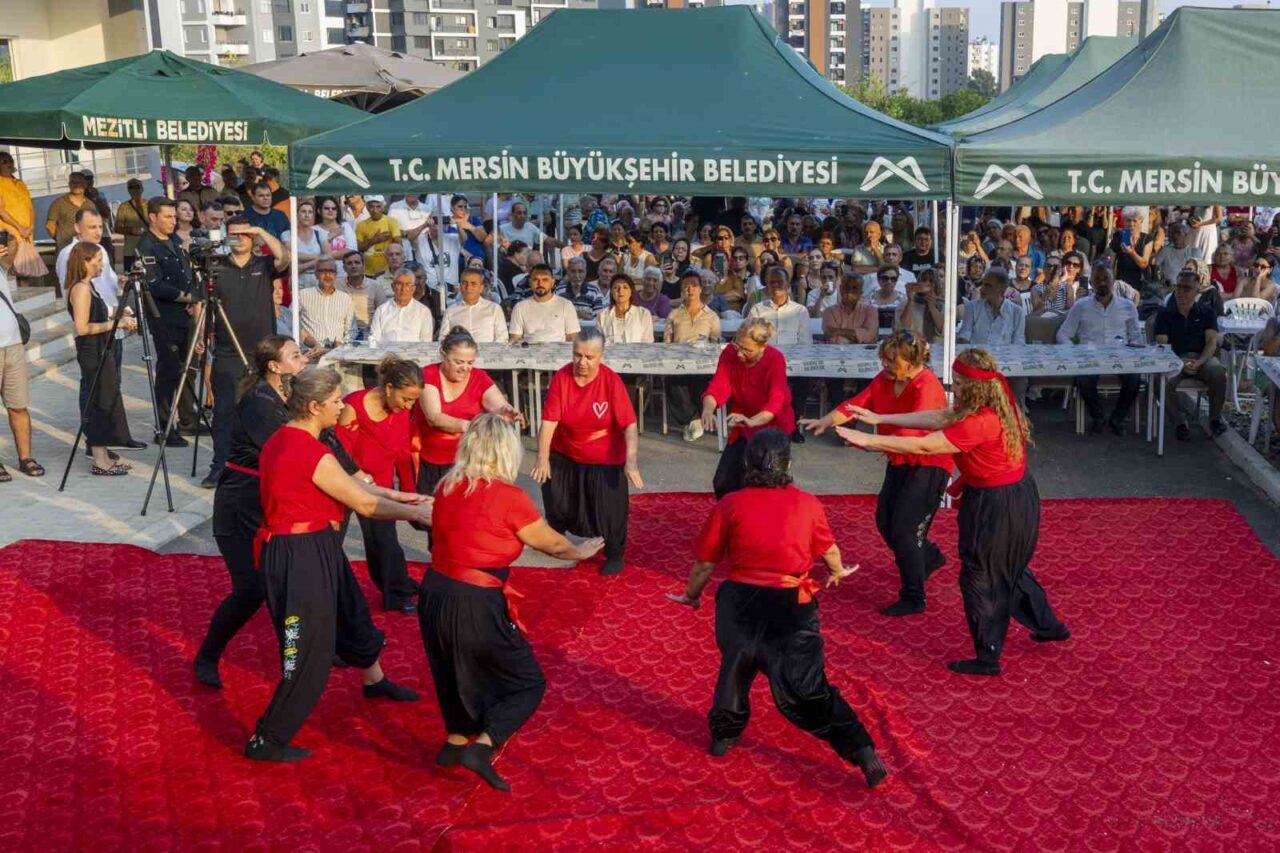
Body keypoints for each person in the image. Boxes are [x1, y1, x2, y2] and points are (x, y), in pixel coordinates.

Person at [666, 429, 887, 787]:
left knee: (736, 664)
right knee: (807, 688)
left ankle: (723, 736)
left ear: (747, 463)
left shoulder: (730, 504)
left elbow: (705, 564)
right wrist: (836, 571)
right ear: (788, 464)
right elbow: (829, 551)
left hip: (740, 603)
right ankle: (861, 750)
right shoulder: (808, 504)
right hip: (791, 604)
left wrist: (692, 595)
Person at [836, 349, 1070, 677]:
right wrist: (881, 419)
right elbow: (940, 417)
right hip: (1013, 496)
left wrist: (869, 440)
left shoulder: (979, 421)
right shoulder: (992, 403)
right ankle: (1048, 625)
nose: (953, 386)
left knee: (980, 574)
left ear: (972, 386)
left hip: (995, 504)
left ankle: (987, 656)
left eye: (958, 381)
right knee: (1008, 566)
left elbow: (926, 445)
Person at [246, 366, 431, 763]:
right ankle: (268, 737)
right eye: (334, 402)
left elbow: (360, 485)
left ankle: (374, 680)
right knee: (309, 651)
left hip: (315, 544)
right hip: (298, 553)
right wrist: (419, 515)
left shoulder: (289, 437)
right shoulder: (308, 450)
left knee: (353, 613)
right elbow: (363, 503)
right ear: (314, 406)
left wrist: (411, 500)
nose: (341, 408)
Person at [420, 414, 603, 790]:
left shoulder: (448, 485)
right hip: (474, 598)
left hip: (435, 590)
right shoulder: (507, 496)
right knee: (526, 681)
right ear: (506, 451)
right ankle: (482, 746)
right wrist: (579, 551)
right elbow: (549, 542)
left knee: (450, 666)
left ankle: (455, 742)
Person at [802, 333, 950, 616]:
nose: (886, 363)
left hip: (927, 463)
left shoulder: (927, 386)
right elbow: (856, 405)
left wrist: (868, 442)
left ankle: (914, 596)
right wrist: (826, 420)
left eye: (893, 360)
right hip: (898, 458)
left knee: (905, 529)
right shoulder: (885, 379)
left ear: (913, 361)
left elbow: (912, 434)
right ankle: (927, 557)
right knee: (885, 521)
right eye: (884, 357)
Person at [196, 335, 308, 687]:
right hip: (240, 507)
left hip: (272, 505)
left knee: (289, 586)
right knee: (251, 589)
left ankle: (297, 658)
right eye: (295, 355)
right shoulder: (261, 402)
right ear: (275, 366)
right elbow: (293, 449)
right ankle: (208, 655)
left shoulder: (290, 396)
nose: (303, 359)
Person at [531, 328, 642, 577]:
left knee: (610, 511)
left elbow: (629, 425)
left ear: (601, 356)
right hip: (567, 450)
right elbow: (548, 422)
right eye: (577, 355)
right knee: (555, 497)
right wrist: (542, 458)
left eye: (589, 357)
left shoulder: (611, 381)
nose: (582, 362)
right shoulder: (561, 378)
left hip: (605, 456)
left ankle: (614, 554)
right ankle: (556, 537)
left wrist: (631, 461)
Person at [336, 356, 423, 613]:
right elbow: (340, 451)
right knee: (331, 541)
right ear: (388, 388)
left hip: (380, 482)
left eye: (414, 401)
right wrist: (361, 477)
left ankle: (396, 592)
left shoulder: (401, 412)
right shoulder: (354, 406)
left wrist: (409, 495)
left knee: (385, 540)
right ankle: (327, 590)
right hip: (346, 481)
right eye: (405, 399)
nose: (409, 406)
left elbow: (404, 455)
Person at [415, 326, 523, 503]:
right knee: (433, 515)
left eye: (470, 362)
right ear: (443, 355)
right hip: (432, 459)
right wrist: (475, 426)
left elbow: (498, 405)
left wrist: (507, 411)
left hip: (470, 460)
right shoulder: (428, 375)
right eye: (458, 362)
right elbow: (434, 418)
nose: (465, 368)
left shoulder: (479, 377)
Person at [700, 318, 793, 497]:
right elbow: (718, 387)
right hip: (743, 425)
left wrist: (752, 421)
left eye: (747, 350)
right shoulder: (730, 353)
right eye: (738, 346)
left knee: (767, 482)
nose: (740, 354)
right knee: (723, 482)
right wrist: (707, 410)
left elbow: (776, 402)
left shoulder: (775, 359)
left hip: (772, 428)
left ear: (763, 346)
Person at [66, 243, 136, 476]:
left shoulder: (91, 287)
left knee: (107, 397)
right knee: (98, 401)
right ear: (84, 261)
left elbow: (101, 313)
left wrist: (119, 314)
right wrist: (116, 324)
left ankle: (104, 454)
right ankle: (99, 460)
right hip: (91, 351)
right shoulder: (81, 289)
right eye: (96, 259)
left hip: (101, 348)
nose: (100, 264)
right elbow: (82, 327)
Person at [1056, 263, 1145, 435]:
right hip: (1089, 357)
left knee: (1134, 378)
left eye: (1106, 278)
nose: (1102, 282)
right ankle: (1098, 417)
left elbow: (1136, 337)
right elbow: (1063, 334)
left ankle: (1117, 419)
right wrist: (1075, 352)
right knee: (1083, 379)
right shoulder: (1080, 306)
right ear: (1091, 281)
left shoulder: (1128, 306)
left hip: (1120, 356)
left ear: (1114, 280)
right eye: (1097, 279)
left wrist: (1134, 349)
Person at [136, 197, 198, 444]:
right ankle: (163, 428)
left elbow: (185, 272)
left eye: (174, 217)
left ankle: (187, 420)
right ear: (153, 217)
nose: (173, 221)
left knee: (186, 368)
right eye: (168, 217)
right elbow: (155, 284)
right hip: (164, 316)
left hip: (184, 314)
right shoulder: (147, 245)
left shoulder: (173, 241)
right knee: (168, 371)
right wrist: (188, 297)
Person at [1155, 270, 1228, 440]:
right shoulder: (1165, 314)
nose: (1181, 292)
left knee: (1218, 371)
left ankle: (1215, 419)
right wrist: (1179, 361)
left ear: (1198, 290)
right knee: (1160, 380)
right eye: (1178, 287)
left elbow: (1211, 341)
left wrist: (1200, 361)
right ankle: (1180, 422)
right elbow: (1162, 344)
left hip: (1202, 357)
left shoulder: (1207, 312)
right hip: (1175, 359)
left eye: (1187, 288)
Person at [0, 243, 40, 481]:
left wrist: (6, 240)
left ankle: (26, 457)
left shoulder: (1, 267)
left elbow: (14, 242)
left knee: (18, 405)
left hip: (13, 344)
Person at [509, 264, 580, 343]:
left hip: (558, 352)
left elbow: (572, 337)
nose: (540, 283)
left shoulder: (566, 305)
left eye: (545, 279)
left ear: (552, 282)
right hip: (529, 353)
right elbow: (515, 339)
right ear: (530, 282)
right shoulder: (520, 307)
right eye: (536, 279)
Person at [296, 258, 354, 350]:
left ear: (336, 275)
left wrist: (342, 343)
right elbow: (290, 321)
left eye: (331, 271)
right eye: (323, 271)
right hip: (310, 351)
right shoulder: (302, 295)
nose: (327, 275)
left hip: (337, 352)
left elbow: (351, 329)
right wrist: (308, 341)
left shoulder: (345, 298)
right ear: (316, 275)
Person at [442, 268, 507, 343]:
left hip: (488, 353)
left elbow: (502, 338)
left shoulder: (494, 309)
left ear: (481, 288)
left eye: (473, 283)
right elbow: (443, 340)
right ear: (460, 286)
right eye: (465, 283)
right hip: (458, 353)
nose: (468, 288)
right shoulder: (450, 311)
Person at [369, 270, 435, 344]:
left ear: (413, 289)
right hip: (386, 354)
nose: (403, 289)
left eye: (408, 285)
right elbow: (374, 339)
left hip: (413, 354)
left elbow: (426, 343)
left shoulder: (423, 312)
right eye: (399, 284)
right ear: (393, 287)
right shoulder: (381, 310)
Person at [338, 250, 389, 339]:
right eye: (349, 263)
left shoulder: (376, 286)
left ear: (363, 266)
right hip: (342, 332)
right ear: (344, 268)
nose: (353, 266)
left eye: (357, 263)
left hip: (368, 333)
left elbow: (383, 313)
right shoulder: (337, 285)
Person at [596, 273, 654, 343]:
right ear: (611, 292)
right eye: (616, 288)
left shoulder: (644, 314)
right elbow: (598, 344)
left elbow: (647, 344)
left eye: (625, 287)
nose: (620, 291)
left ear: (631, 291)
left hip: (636, 353)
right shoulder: (602, 315)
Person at [283, 199, 329, 287]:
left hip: (317, 280)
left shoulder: (320, 234)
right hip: (297, 280)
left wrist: (301, 267)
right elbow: (293, 255)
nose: (307, 215)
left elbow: (329, 256)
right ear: (296, 214)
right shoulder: (287, 234)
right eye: (303, 211)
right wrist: (318, 258)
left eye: (310, 212)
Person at [45, 172, 94, 251]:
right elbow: (50, 226)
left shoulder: (90, 205)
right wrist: (61, 240)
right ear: (69, 184)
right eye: (73, 182)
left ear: (85, 184)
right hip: (65, 249)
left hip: (86, 248)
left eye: (79, 182)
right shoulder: (58, 203)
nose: (77, 185)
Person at [355, 196, 400, 277]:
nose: (375, 210)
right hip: (368, 271)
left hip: (387, 271)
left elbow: (398, 244)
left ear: (383, 207)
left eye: (378, 206)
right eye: (372, 207)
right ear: (367, 208)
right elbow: (358, 248)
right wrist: (374, 240)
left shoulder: (391, 221)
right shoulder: (361, 225)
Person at [555, 256, 604, 320]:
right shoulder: (559, 290)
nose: (577, 275)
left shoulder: (594, 291)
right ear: (568, 272)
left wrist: (587, 317)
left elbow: (599, 318)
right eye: (573, 271)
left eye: (580, 271)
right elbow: (554, 315)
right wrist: (576, 314)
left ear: (585, 272)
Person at [114, 178, 148, 270]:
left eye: (137, 187)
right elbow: (117, 228)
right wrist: (131, 230)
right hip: (130, 251)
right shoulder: (123, 207)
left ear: (142, 188)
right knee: (131, 278)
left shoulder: (149, 205)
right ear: (128, 190)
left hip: (149, 249)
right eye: (131, 187)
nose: (134, 189)